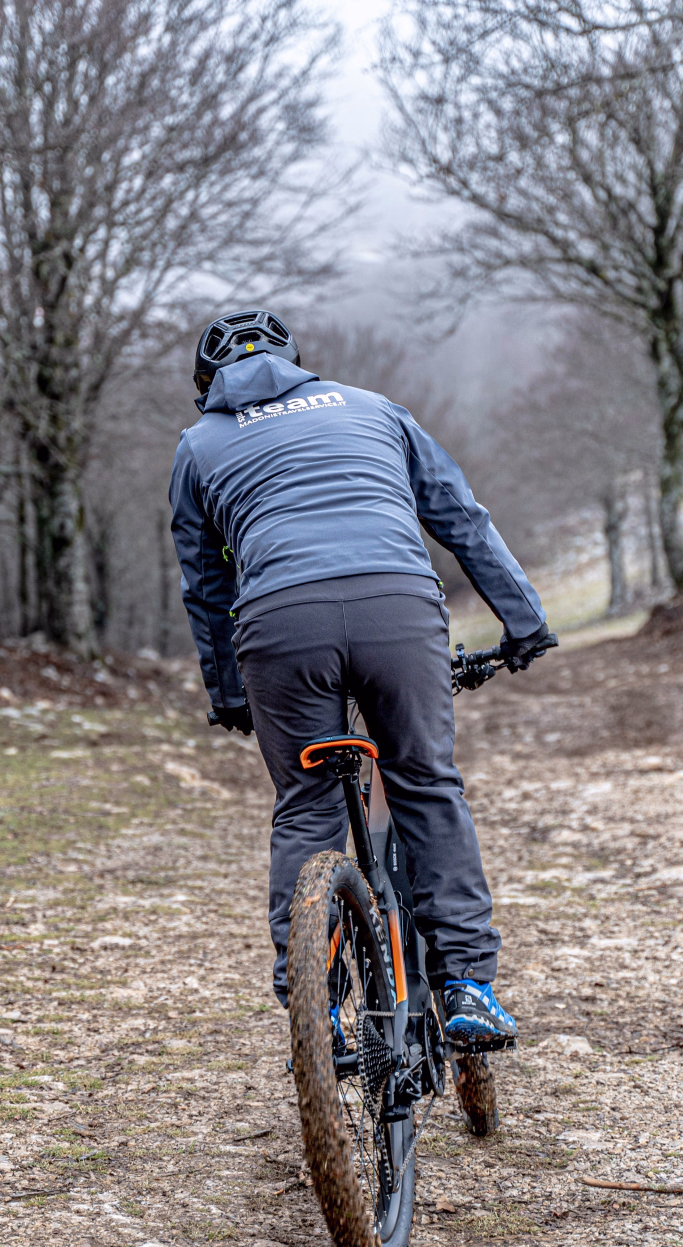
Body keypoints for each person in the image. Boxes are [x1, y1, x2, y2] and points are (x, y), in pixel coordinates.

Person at [168, 309, 555, 1051]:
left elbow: (206, 587)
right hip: (395, 608)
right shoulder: (373, 408)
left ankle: (320, 1014)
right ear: (299, 363)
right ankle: (469, 984)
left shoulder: (198, 447)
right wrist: (525, 621)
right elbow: (459, 517)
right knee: (425, 780)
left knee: (306, 804)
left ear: (208, 386)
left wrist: (229, 696)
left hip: (281, 625)